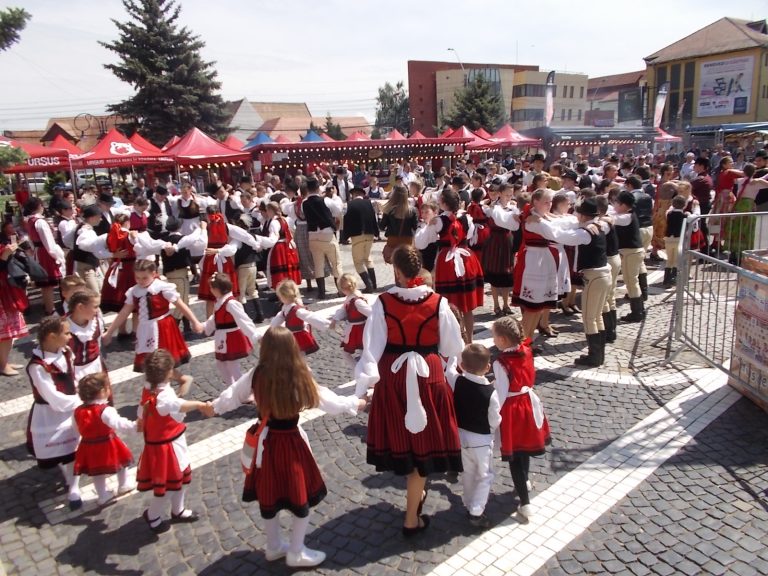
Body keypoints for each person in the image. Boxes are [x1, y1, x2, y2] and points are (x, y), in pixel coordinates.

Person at [204, 327, 366, 567]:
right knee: (301, 494)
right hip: (291, 443)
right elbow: (330, 402)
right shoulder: (299, 375)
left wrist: (213, 407)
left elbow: (232, 395)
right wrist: (357, 402)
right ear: (292, 347)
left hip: (266, 444)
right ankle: (296, 550)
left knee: (270, 494)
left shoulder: (256, 374)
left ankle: (274, 546)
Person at [355, 245, 464, 536]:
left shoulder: (383, 302)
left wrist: (364, 386)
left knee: (407, 441)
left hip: (394, 374)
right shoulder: (438, 301)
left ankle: (413, 509)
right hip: (429, 371)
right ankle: (412, 515)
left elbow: (371, 349)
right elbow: (453, 347)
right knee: (424, 441)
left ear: (396, 270)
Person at [136, 349, 210, 533]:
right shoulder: (162, 396)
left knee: (182, 477)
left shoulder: (150, 388)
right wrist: (201, 405)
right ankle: (153, 514)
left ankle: (178, 509)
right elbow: (178, 405)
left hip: (172, 442)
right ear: (168, 372)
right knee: (168, 485)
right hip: (166, 447)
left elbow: (143, 413)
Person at [531, 198, 611, 366]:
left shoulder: (585, 233)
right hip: (603, 274)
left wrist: (540, 223)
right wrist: (548, 219)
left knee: (589, 318)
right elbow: (567, 224)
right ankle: (599, 354)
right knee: (596, 317)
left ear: (582, 216)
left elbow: (561, 236)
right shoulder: (597, 225)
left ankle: (594, 356)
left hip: (595, 275)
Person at [102, 259, 203, 380]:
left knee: (161, 361)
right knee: (150, 362)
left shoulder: (161, 288)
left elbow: (181, 305)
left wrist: (195, 322)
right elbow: (124, 312)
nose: (140, 281)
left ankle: (172, 383)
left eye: (144, 278)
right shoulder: (134, 291)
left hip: (163, 327)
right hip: (145, 328)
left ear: (154, 274)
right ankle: (178, 380)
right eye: (137, 278)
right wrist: (110, 332)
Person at [491, 316, 550, 521]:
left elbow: (501, 391)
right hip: (528, 403)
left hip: (513, 409)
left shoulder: (501, 362)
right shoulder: (526, 350)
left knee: (514, 455)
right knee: (524, 449)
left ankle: (525, 505)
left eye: (495, 337)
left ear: (504, 340)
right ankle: (524, 481)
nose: (493, 341)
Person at [25, 316, 82, 509]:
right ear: (51, 336)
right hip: (50, 413)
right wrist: (80, 401)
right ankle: (68, 475)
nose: (70, 336)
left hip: (71, 407)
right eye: (66, 333)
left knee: (74, 448)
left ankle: (74, 485)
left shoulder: (66, 352)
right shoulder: (38, 366)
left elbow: (72, 377)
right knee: (62, 449)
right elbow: (52, 397)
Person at [444, 344, 501, 529]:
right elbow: (495, 418)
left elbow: (449, 371)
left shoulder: (457, 381)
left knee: (468, 472)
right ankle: (476, 511)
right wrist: (491, 433)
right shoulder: (491, 393)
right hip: (482, 440)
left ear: (463, 364)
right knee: (485, 476)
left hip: (461, 437)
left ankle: (469, 502)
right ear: (487, 367)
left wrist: (453, 355)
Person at [417, 189, 484, 342]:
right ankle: (469, 339)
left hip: (448, 261)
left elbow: (422, 243)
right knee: (466, 304)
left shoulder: (439, 220)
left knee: (450, 302)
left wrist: (427, 224)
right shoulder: (466, 217)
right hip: (467, 258)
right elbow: (470, 237)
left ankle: (457, 337)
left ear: (443, 203)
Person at [72, 373, 138, 505]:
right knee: (122, 463)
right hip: (108, 443)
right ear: (102, 391)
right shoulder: (105, 410)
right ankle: (123, 484)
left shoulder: (77, 411)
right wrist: (135, 426)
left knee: (97, 472)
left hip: (88, 445)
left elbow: (76, 428)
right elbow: (119, 423)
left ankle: (102, 495)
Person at [203, 273, 260, 386]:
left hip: (231, 338)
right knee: (221, 364)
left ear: (217, 289)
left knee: (232, 366)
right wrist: (205, 327)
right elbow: (215, 318)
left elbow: (244, 320)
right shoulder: (220, 301)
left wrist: (255, 336)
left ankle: (244, 390)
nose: (210, 290)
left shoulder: (231, 303)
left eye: (211, 288)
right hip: (222, 338)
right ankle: (232, 387)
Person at [482, 183, 519, 316]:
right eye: (507, 194)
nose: (509, 197)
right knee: (495, 273)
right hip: (495, 240)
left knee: (507, 273)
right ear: (500, 194)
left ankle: (506, 304)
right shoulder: (493, 207)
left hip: (507, 239)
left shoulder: (512, 206)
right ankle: (496, 305)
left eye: (511, 194)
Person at [303, 177, 342, 300]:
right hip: (327, 235)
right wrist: (334, 196)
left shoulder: (305, 203)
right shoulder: (325, 200)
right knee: (336, 263)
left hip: (313, 236)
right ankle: (341, 290)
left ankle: (321, 293)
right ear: (318, 187)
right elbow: (338, 210)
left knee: (318, 265)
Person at [24, 197, 65, 315]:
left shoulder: (30, 221)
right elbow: (49, 241)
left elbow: (32, 240)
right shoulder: (40, 222)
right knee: (48, 285)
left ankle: (49, 307)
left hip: (39, 251)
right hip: (45, 253)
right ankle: (50, 309)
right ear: (39, 206)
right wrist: (56, 256)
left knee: (46, 285)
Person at [270, 279, 329, 355]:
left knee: (299, 360)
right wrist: (271, 328)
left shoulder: (297, 310)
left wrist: (327, 324)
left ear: (284, 297)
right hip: (291, 337)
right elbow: (279, 318)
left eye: (280, 297)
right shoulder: (285, 307)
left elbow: (310, 316)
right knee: (297, 360)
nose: (280, 299)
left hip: (299, 338)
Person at [614, 191, 646, 323]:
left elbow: (612, 218)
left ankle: (637, 312)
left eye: (616, 203)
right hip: (631, 252)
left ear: (623, 205)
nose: (614, 205)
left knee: (631, 282)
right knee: (632, 281)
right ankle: (639, 310)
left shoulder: (626, 217)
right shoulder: (627, 215)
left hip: (631, 252)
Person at [330, 273, 372, 371]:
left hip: (359, 330)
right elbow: (343, 309)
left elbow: (371, 313)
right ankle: (362, 373)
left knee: (357, 354)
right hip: (356, 329)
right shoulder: (352, 298)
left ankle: (363, 374)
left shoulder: (357, 301)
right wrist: (335, 319)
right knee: (362, 354)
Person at [0, 237, 28, 376]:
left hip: (5, 292)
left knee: (8, 333)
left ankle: (4, 361)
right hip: (2, 296)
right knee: (5, 333)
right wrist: (4, 257)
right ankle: (3, 365)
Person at [259, 201, 301, 291]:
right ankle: (287, 291)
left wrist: (261, 242)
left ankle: (282, 294)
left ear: (271, 210)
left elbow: (273, 239)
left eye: (267, 210)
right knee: (286, 271)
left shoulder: (274, 222)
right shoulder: (283, 219)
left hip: (279, 249)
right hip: (286, 247)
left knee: (280, 274)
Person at [343, 187, 379, 293]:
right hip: (370, 234)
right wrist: (376, 232)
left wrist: (345, 236)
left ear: (353, 195)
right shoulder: (369, 203)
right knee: (367, 258)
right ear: (362, 194)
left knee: (358, 262)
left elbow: (347, 221)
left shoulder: (349, 205)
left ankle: (369, 285)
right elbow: (374, 218)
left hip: (357, 235)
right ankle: (374, 283)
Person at [380, 185, 418, 264]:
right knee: (407, 263)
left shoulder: (389, 210)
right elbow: (415, 227)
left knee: (395, 263)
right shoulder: (412, 210)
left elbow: (382, 226)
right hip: (407, 239)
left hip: (392, 239)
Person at [664, 195, 688, 288]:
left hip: (668, 238)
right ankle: (673, 278)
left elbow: (669, 211)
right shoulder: (685, 216)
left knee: (669, 259)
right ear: (684, 205)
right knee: (676, 259)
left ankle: (666, 279)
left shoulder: (669, 214)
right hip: (679, 239)